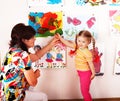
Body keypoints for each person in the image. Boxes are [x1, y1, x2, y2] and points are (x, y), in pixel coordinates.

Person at [0, 23, 59, 101]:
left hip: (4, 94)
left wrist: (51, 44)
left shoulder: (12, 50)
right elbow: (33, 82)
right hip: (13, 96)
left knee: (31, 88)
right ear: (24, 40)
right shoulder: (23, 55)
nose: (35, 39)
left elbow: (36, 56)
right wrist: (36, 75)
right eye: (32, 37)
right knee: (43, 96)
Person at [56, 30, 95, 101]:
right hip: (80, 72)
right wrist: (60, 38)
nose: (80, 43)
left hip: (86, 73)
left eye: (83, 42)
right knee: (83, 90)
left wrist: (93, 73)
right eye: (79, 40)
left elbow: (91, 64)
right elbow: (67, 43)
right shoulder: (77, 47)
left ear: (88, 42)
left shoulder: (87, 53)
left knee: (84, 91)